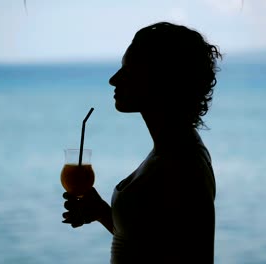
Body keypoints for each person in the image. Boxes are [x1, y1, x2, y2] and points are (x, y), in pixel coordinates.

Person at [62, 21, 221, 263]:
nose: (113, 80)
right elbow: (148, 242)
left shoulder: (182, 163)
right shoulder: (170, 148)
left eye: (128, 71)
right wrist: (101, 212)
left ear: (160, 79)